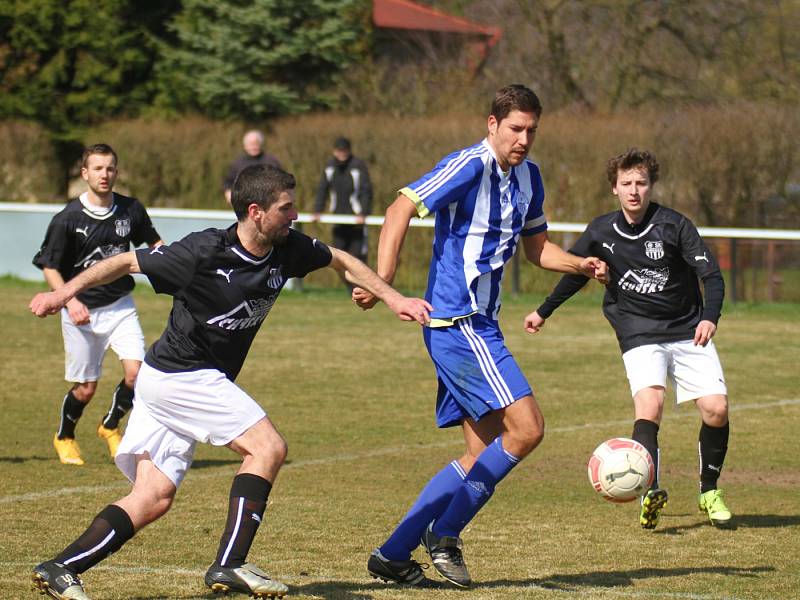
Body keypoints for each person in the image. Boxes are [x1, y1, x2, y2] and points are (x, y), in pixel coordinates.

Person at [29, 164, 432, 600]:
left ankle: (59, 567)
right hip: (181, 375)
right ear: (256, 212)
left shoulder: (287, 247)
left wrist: (392, 298)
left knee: (153, 497)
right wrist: (61, 293)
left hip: (170, 380)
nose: (295, 215)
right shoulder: (202, 252)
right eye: (286, 207)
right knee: (268, 447)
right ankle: (230, 564)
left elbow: (340, 259)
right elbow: (125, 261)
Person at [353, 84, 608, 588]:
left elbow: (537, 251)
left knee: (481, 453)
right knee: (528, 428)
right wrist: (382, 284)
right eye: (515, 128)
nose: (524, 138)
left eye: (532, 129)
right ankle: (444, 534)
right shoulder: (469, 165)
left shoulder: (529, 177)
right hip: (458, 324)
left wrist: (580, 262)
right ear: (492, 125)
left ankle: (393, 554)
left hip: (480, 326)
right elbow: (399, 207)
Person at [526, 148, 732, 531]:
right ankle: (649, 491)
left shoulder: (674, 225)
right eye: (626, 184)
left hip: (687, 329)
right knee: (650, 405)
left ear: (651, 186)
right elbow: (576, 273)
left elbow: (712, 277)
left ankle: (709, 490)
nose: (634, 191)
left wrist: (709, 317)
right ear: (614, 189)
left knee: (716, 410)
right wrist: (543, 310)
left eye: (641, 183)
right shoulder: (601, 231)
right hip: (638, 331)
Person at [32, 143, 163, 466]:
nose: (105, 174)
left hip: (121, 306)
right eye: (98, 168)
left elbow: (155, 244)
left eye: (110, 168)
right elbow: (49, 265)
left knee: (138, 375)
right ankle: (64, 436)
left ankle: (110, 426)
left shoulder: (131, 209)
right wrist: (69, 300)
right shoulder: (68, 218)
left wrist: (175, 262)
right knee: (86, 388)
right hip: (81, 312)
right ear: (85, 173)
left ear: (116, 172)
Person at [311, 137, 373, 266]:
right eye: (339, 150)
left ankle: (360, 286)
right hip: (338, 219)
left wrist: (363, 212)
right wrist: (317, 210)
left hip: (356, 221)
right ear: (334, 151)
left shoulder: (358, 166)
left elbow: (366, 190)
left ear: (349, 151)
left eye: (344, 150)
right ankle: (351, 286)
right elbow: (322, 189)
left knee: (358, 258)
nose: (342, 153)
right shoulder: (329, 167)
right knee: (339, 258)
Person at [223, 130, 282, 203]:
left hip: (268, 201)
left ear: (261, 144)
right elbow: (228, 181)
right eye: (250, 144)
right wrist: (228, 192)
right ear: (245, 145)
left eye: (256, 144)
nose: (253, 147)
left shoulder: (271, 161)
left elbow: (281, 180)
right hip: (243, 202)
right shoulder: (237, 163)